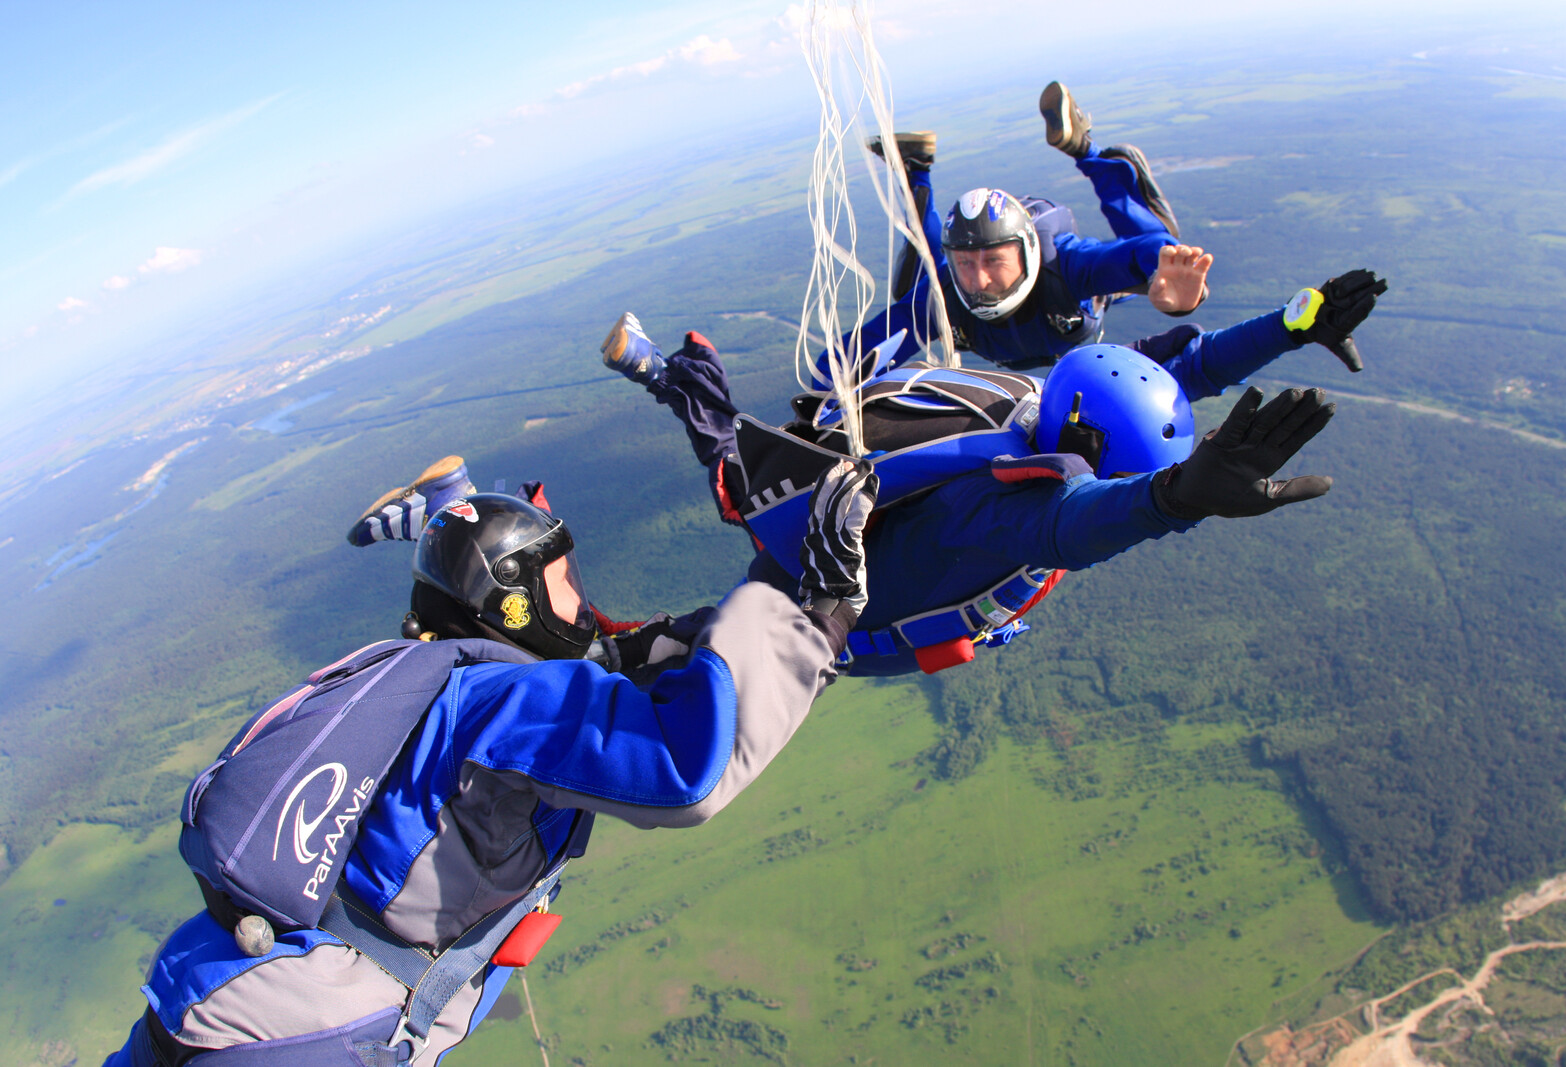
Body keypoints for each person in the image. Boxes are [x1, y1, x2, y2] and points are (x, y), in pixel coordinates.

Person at [105, 462, 877, 1066]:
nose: (581, 601)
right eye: (563, 583)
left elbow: (583, 667)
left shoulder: (427, 673)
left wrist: (656, 647)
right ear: (510, 602)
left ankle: (444, 494)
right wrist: (817, 618)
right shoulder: (504, 697)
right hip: (310, 1029)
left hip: (212, 982)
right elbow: (687, 768)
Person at [601, 266, 1384, 674]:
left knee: (733, 457)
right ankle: (604, 655)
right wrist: (1168, 500)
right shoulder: (1005, 505)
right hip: (822, 599)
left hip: (844, 515)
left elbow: (1173, 381)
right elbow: (1072, 523)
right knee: (702, 650)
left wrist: (1289, 327)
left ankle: (667, 374)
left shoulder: (1054, 404)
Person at [853, 81, 1214, 373]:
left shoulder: (1066, 269)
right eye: (965, 263)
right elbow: (859, 351)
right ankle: (914, 168)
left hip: (1067, 294)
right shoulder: (946, 293)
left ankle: (1086, 150)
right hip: (1034, 322)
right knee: (922, 278)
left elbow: (1153, 251)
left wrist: (1173, 291)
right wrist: (824, 395)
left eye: (994, 260)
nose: (978, 282)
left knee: (1153, 236)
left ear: (1027, 254)